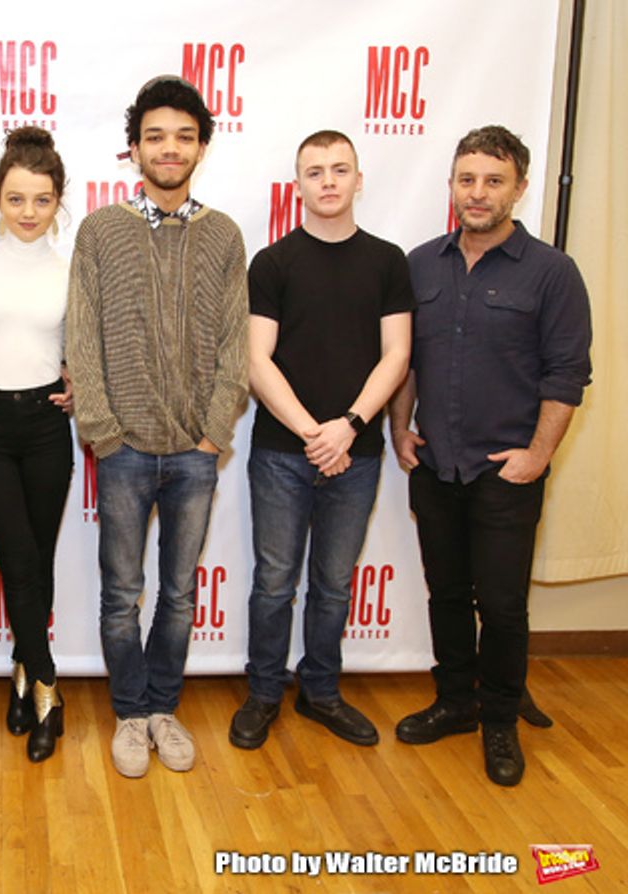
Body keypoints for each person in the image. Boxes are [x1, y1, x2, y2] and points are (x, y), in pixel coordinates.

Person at [389, 125, 592, 786]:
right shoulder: (420, 263)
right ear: (452, 185)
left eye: (493, 181)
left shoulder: (553, 273)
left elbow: (566, 375)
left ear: (520, 188)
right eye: (467, 179)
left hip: (507, 471)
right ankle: (455, 701)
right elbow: (406, 361)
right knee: (446, 592)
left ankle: (500, 716)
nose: (477, 194)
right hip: (437, 465)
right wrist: (399, 428)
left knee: (501, 605)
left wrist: (536, 454)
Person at [66, 76, 249, 778]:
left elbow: (237, 342)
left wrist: (212, 435)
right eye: (154, 136)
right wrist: (105, 432)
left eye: (182, 135)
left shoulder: (224, 234)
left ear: (201, 144)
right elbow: (82, 337)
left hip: (197, 455)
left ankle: (163, 709)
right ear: (133, 148)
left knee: (178, 592)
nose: (168, 148)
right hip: (123, 451)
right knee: (120, 593)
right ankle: (130, 712)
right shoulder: (101, 230)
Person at [228, 131, 413, 751]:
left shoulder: (388, 262)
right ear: (298, 185)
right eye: (315, 172)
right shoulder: (273, 263)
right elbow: (257, 360)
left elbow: (397, 356)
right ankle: (262, 694)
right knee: (275, 582)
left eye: (340, 170)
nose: (328, 181)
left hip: (356, 456)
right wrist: (314, 432)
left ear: (359, 180)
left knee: (334, 583)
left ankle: (322, 692)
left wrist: (350, 426)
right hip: (283, 453)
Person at [0, 127, 73, 763]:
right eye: (16, 199)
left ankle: (23, 673)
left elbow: (90, 342)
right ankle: (51, 692)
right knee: (18, 561)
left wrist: (81, 380)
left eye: (41, 199)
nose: (28, 212)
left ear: (59, 200)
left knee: (38, 557)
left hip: (45, 426)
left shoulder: (72, 269)